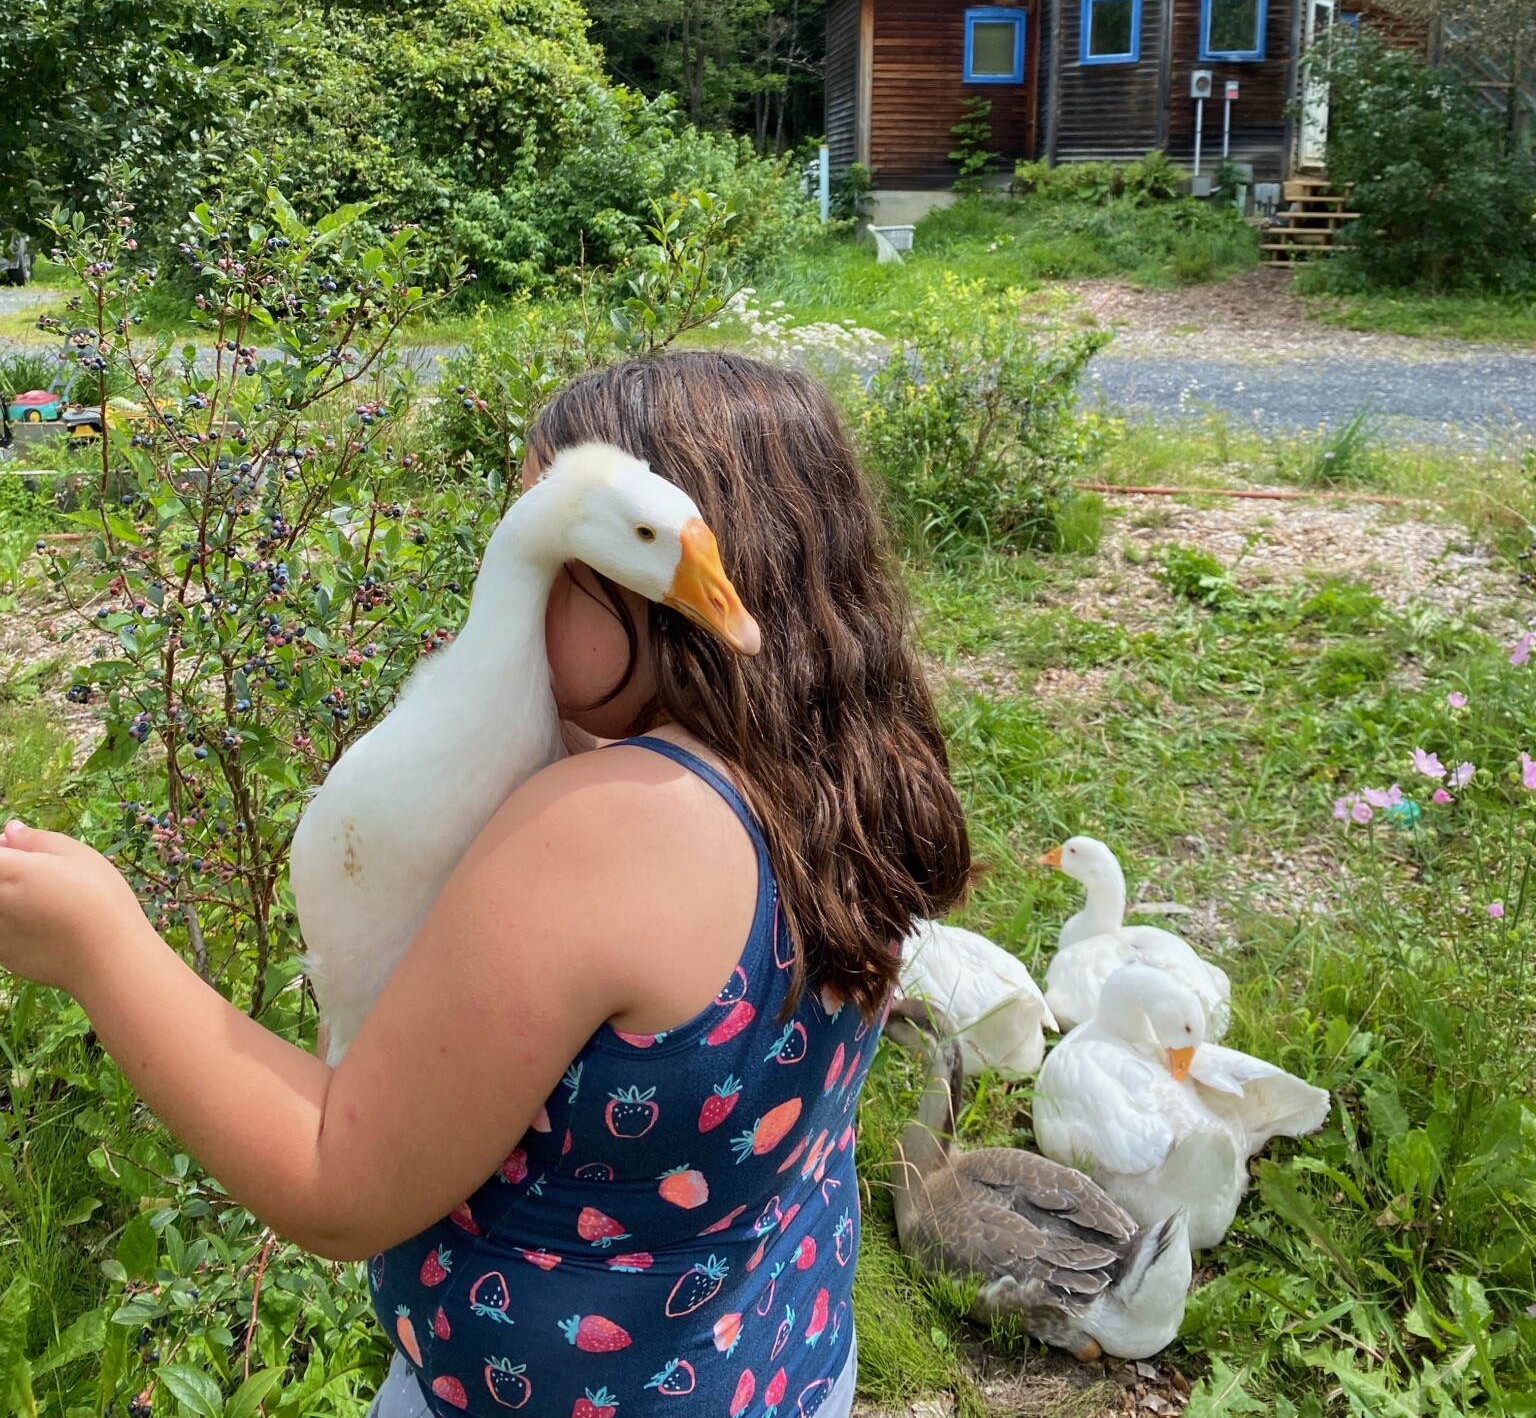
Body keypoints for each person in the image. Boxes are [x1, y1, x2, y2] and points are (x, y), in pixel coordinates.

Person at [0, 350, 971, 1418]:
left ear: (671, 582)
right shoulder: (843, 772)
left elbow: (337, 1183)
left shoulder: (599, 832)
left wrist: (96, 939)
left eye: (546, 550)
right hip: (784, 1365)